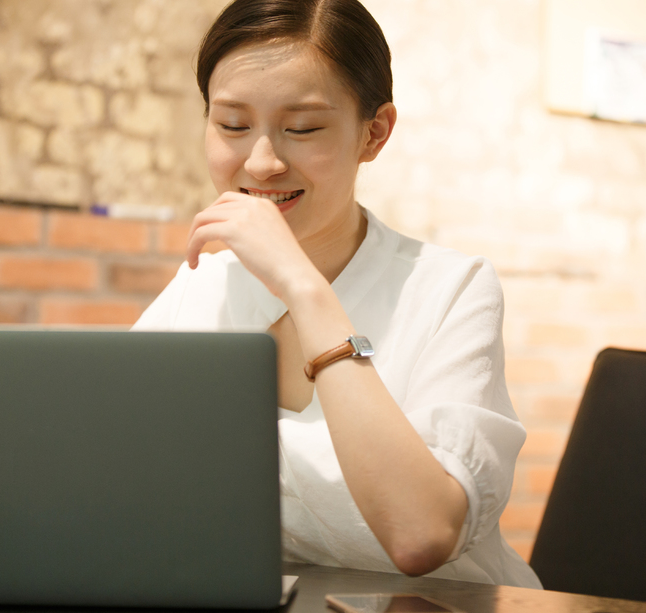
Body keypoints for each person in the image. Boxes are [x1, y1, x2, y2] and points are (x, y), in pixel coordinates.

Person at [133, 0, 541, 588]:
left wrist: (303, 286)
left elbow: (421, 533)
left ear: (373, 133)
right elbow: (106, 476)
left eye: (302, 128)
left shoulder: (451, 289)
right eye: (231, 125)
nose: (262, 161)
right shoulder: (197, 290)